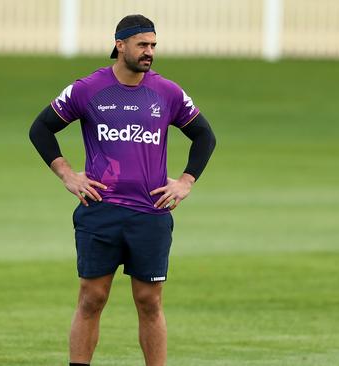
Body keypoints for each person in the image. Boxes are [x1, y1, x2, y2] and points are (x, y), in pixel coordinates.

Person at [28, 14, 216, 366]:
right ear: (120, 45)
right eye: (142, 45)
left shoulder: (167, 92)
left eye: (153, 46)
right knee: (91, 298)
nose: (149, 52)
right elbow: (41, 128)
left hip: (150, 214)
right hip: (101, 210)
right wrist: (68, 174)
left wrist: (186, 181)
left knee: (150, 301)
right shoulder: (88, 89)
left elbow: (205, 135)